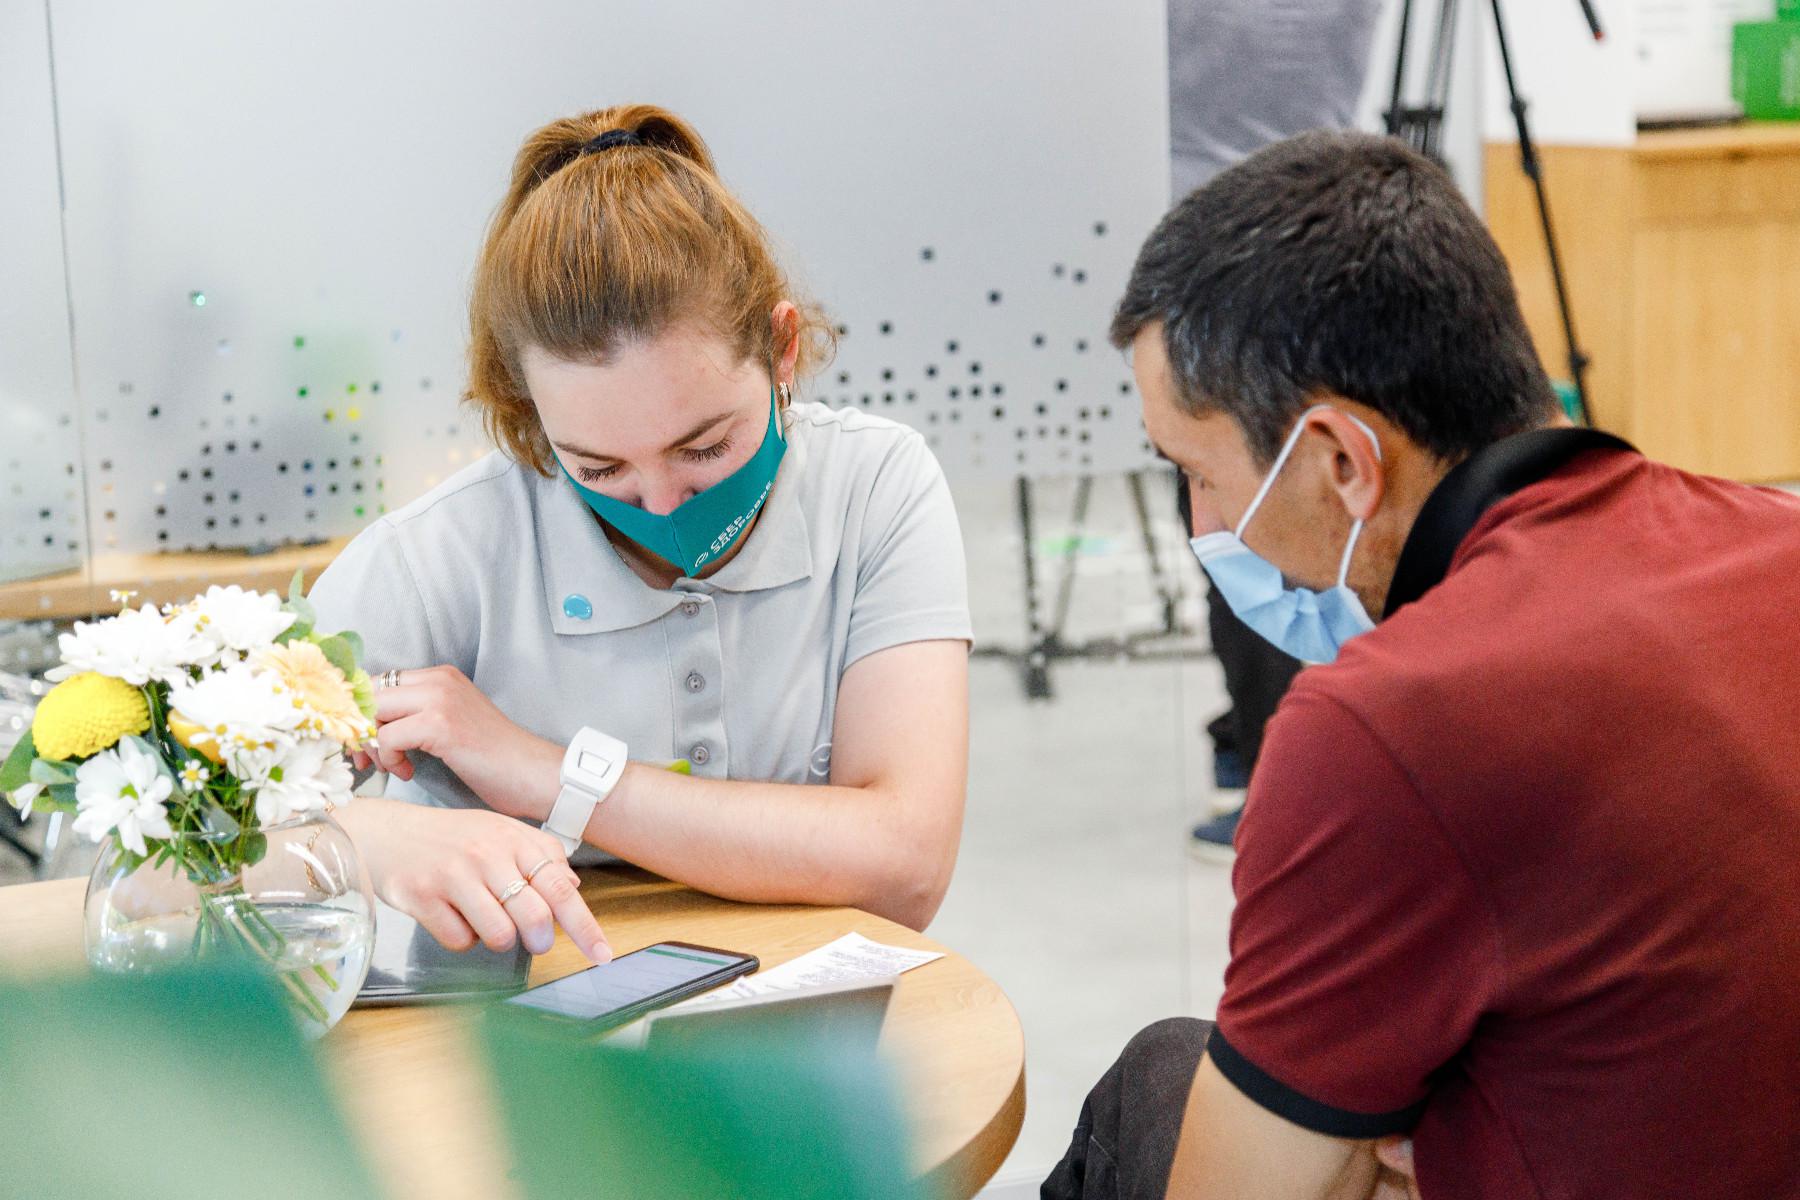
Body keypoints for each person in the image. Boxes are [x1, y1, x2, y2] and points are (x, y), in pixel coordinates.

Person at [1045, 130, 1800, 1199]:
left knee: (1162, 1079)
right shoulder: (1776, 539)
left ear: (1342, 461)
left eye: (1198, 474)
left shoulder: (1383, 727)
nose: (1205, 525)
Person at [307, 105, 971, 965]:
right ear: (531, 413)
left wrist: (543, 771)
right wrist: (368, 841)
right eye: (599, 466)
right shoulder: (435, 559)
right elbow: (178, 842)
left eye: (705, 448)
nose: (659, 504)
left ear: (781, 350)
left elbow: (904, 867)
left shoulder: (875, 487)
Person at [1166, 0, 1383, 855]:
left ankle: (1277, 778)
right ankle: (1254, 738)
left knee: (1236, 522)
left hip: (1208, 246)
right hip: (1321, 225)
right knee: (1277, 516)